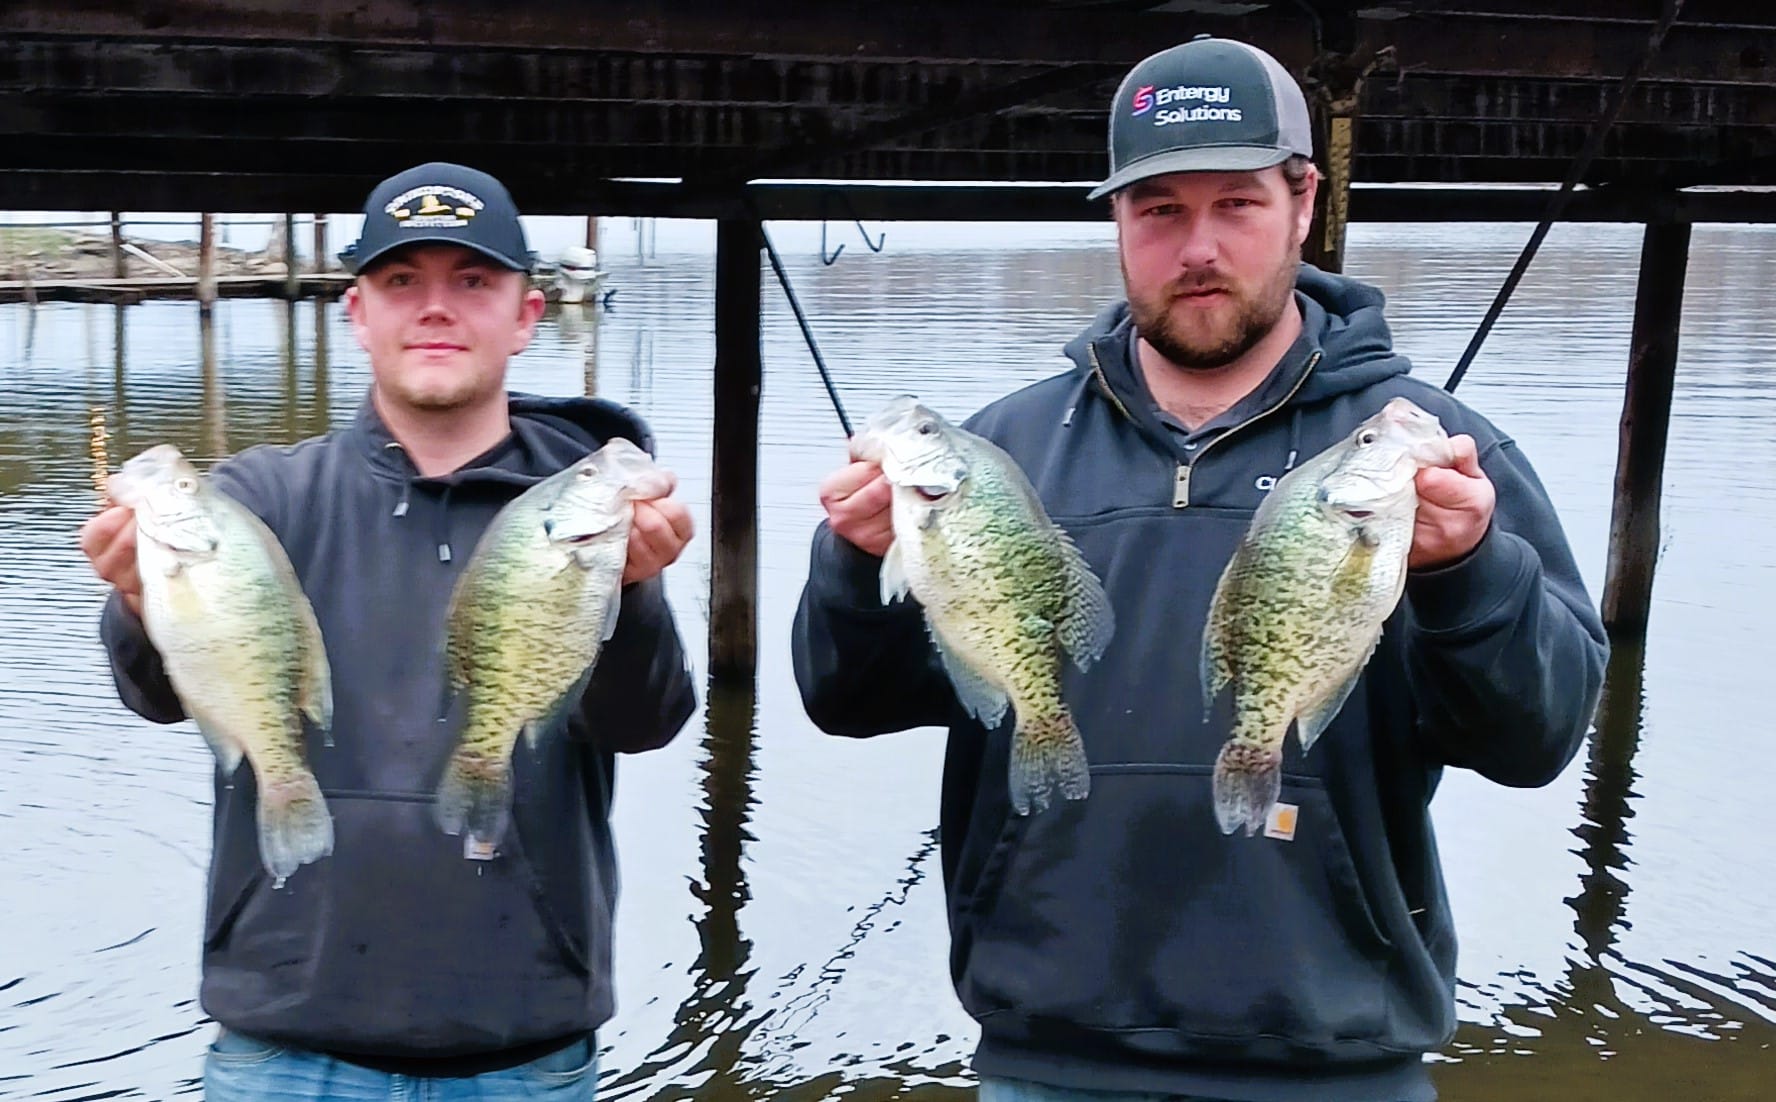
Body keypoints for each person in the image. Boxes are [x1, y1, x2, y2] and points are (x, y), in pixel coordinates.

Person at [792, 35, 1608, 1102]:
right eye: (1160, 210)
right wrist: (855, 567)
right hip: (1048, 1055)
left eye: (1237, 203)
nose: (1198, 246)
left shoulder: (1442, 458)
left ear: (1303, 200)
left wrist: (1467, 573)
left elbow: (1536, 740)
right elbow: (846, 700)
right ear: (1120, 224)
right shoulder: (1000, 457)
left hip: (1335, 1060)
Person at [79, 162, 697, 1100]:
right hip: (283, 1049)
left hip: (527, 1054)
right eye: (402, 282)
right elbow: (157, 696)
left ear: (527, 316)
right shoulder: (256, 501)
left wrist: (633, 593)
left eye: (473, 282)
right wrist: (137, 600)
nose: (436, 309)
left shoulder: (583, 511)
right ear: (356, 313)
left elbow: (645, 723)